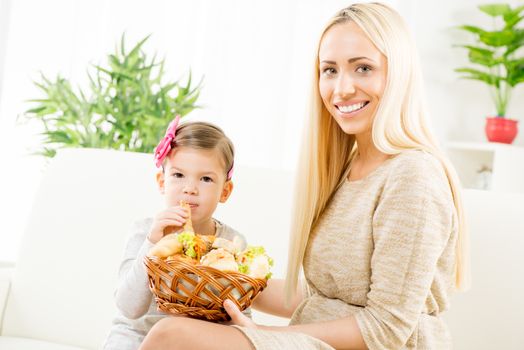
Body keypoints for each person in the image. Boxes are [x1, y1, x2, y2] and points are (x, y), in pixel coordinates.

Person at [138, 3, 470, 349]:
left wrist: (264, 335)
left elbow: (386, 327)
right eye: (330, 70)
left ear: (398, 74)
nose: (342, 89)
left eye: (363, 68)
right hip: (315, 340)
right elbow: (322, 296)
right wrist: (223, 278)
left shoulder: (413, 175)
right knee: (178, 326)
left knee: (171, 337)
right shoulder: (346, 170)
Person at [103, 116, 248, 350]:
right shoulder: (145, 232)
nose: (190, 189)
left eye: (206, 179)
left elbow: (243, 318)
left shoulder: (231, 243)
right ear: (162, 181)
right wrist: (152, 244)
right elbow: (128, 308)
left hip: (193, 341)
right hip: (137, 336)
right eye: (178, 175)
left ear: (225, 191)